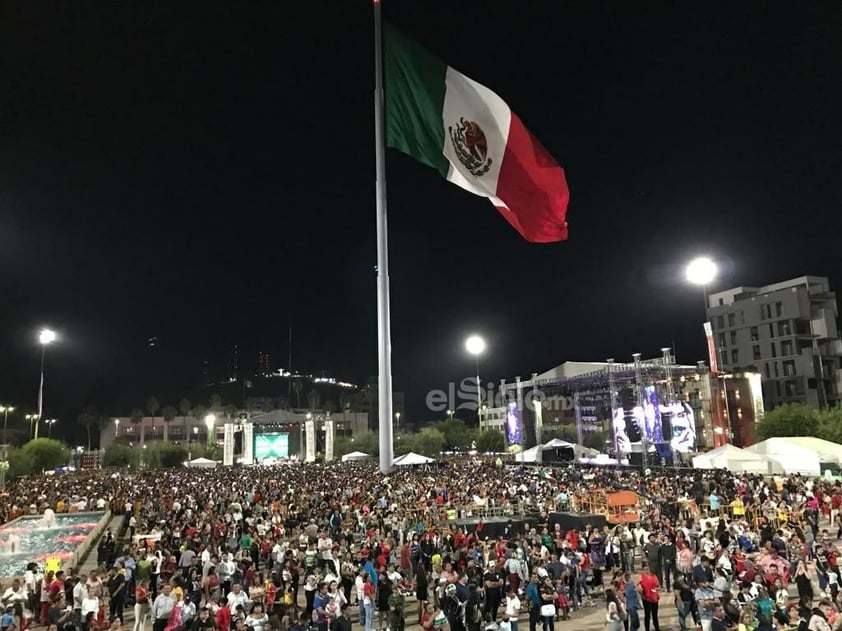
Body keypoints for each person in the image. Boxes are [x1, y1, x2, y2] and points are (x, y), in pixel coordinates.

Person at [639, 564, 660, 631]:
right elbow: (636, 586)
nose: (647, 571)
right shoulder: (641, 577)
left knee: (655, 615)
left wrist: (656, 589)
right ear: (642, 570)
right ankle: (647, 629)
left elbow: (659, 586)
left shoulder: (654, 576)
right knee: (647, 615)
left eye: (647, 569)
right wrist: (640, 590)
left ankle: (657, 628)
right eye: (645, 569)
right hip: (646, 599)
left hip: (654, 598)